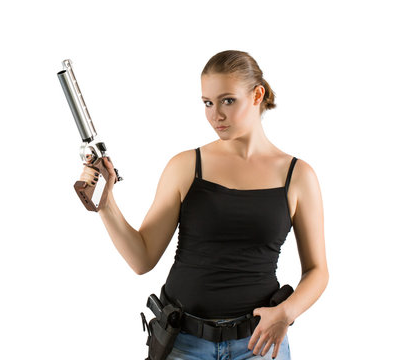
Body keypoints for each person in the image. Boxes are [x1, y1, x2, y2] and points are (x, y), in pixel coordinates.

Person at [79, 50, 328, 360]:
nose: (215, 115)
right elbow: (142, 259)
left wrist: (286, 313)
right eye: (207, 103)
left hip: (259, 344)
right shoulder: (185, 166)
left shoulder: (298, 176)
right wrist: (105, 204)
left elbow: (318, 271)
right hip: (183, 342)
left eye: (227, 101)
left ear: (257, 95)